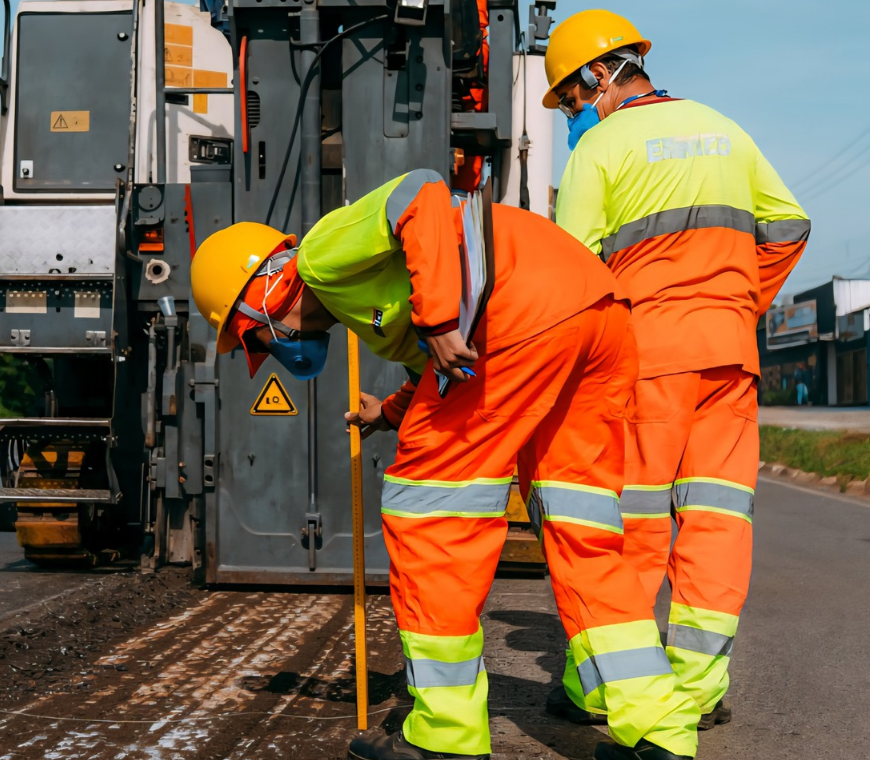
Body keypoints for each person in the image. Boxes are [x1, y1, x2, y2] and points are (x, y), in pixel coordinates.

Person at [190, 170, 700, 760]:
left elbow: (421, 193)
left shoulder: (322, 253)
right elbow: (437, 369)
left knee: (427, 513)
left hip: (516, 318)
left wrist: (435, 321)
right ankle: (658, 730)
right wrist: (390, 410)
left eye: (254, 337)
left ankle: (446, 738)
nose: (270, 350)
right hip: (593, 313)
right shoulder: (363, 300)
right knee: (580, 528)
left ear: (264, 290)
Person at [542, 9, 811, 745]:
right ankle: (696, 690)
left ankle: (605, 692)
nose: (573, 112)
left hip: (644, 361)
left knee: (630, 527)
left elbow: (571, 273)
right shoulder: (726, 129)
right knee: (719, 524)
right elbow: (788, 224)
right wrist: (735, 304)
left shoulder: (599, 150)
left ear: (599, 75)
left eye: (569, 97)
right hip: (730, 358)